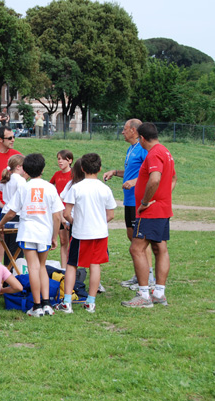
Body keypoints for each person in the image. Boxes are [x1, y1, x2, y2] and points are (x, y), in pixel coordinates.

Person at [0, 153, 64, 317]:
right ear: (42, 169)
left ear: (26, 169)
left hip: (28, 232)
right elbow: (57, 216)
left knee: (33, 267)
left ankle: (36, 306)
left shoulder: (24, 187)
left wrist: (0, 225)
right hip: (44, 233)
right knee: (42, 267)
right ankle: (47, 304)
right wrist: (54, 236)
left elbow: (11, 212)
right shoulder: (50, 187)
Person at [122, 122, 177, 308]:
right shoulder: (166, 151)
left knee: (136, 249)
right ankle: (159, 293)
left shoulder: (153, 153)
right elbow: (174, 178)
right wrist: (164, 197)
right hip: (162, 209)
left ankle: (144, 295)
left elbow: (154, 179)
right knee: (159, 249)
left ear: (142, 138)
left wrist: (145, 202)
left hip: (150, 211)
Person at [56, 153, 117, 314]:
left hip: (80, 234)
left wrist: (75, 222)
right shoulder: (105, 189)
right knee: (95, 264)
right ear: (100, 168)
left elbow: (67, 213)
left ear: (82, 168)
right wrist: (98, 223)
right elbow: (110, 215)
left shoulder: (76, 188)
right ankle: (91, 302)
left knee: (72, 264)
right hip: (100, 233)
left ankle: (67, 302)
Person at [103, 119, 155, 290]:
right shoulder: (131, 149)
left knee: (141, 240)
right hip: (129, 200)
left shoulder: (143, 149)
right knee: (132, 237)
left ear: (134, 130)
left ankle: (148, 277)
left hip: (138, 200)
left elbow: (150, 173)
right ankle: (139, 274)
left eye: (125, 129)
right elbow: (133, 172)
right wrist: (115, 172)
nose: (122, 132)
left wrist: (134, 182)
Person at [0, 154, 26, 265]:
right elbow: (23, 198)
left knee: (6, 245)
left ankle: (6, 271)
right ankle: (15, 272)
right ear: (18, 167)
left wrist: (2, 205)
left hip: (5, 213)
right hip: (16, 214)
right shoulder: (20, 180)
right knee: (16, 247)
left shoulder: (7, 178)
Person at [50, 150, 73, 271]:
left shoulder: (74, 174)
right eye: (58, 158)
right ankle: (64, 269)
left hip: (71, 211)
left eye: (63, 159)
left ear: (70, 161)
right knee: (63, 241)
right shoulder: (56, 174)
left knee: (72, 241)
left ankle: (73, 267)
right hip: (60, 212)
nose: (60, 161)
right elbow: (50, 188)